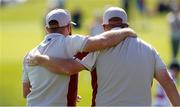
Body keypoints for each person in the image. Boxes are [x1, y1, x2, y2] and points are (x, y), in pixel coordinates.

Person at [28, 7, 180, 106]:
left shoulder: (97, 50)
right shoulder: (150, 50)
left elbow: (67, 68)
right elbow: (168, 83)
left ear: (104, 27)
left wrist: (40, 58)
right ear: (126, 25)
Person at [22, 8, 136, 106]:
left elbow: (26, 93)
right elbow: (103, 41)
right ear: (69, 27)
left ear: (46, 29)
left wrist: (54, 91)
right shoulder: (70, 42)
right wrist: (126, 31)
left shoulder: (30, 54)